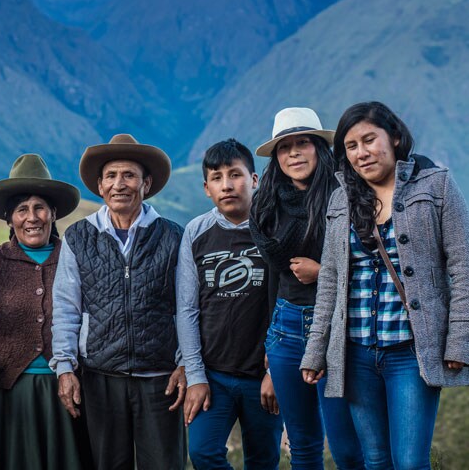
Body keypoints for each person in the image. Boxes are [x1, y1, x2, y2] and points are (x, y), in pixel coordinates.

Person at [301, 101, 469, 469]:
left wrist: (458, 340)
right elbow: (330, 279)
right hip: (356, 351)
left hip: (411, 350)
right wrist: (315, 351)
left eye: (368, 140)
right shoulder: (341, 197)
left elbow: (463, 265)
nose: (362, 153)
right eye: (351, 146)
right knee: (375, 459)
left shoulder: (436, 185)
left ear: (394, 137)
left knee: (409, 461)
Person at [50, 133, 187, 470]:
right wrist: (65, 367)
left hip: (160, 378)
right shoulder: (79, 236)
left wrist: (186, 363)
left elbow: (185, 306)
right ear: (99, 186)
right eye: (111, 176)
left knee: (164, 465)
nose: (119, 184)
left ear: (146, 183)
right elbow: (66, 307)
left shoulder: (172, 236)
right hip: (100, 376)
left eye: (129, 175)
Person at [250, 108, 364, 469]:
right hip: (285, 328)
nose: (294, 153)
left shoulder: (344, 195)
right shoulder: (267, 204)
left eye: (303, 143)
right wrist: (269, 347)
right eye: (285, 147)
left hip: (335, 328)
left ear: (319, 148)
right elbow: (273, 277)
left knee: (347, 445)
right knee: (302, 443)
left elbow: (367, 259)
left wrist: (324, 271)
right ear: (276, 157)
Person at [0, 153, 93, 469]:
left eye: (39, 208)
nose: (31, 217)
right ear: (9, 219)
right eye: (22, 210)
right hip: (8, 391)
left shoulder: (74, 258)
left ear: (54, 213)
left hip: (64, 387)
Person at [177, 139, 283, 469]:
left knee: (263, 460)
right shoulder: (196, 232)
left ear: (253, 179)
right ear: (207, 188)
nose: (227, 185)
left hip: (263, 375)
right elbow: (186, 308)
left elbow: (290, 301)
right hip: (214, 375)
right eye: (217, 177)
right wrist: (195, 376)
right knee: (203, 453)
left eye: (235, 174)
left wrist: (277, 371)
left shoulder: (274, 228)